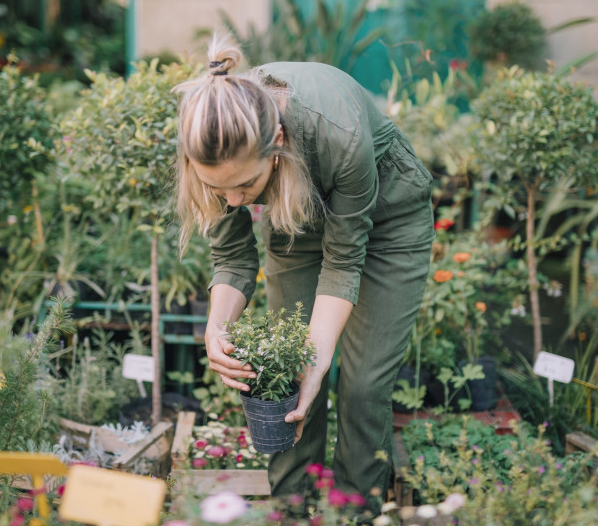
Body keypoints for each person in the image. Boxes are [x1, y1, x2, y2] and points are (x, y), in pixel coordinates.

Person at [173, 33, 434, 504]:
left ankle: (356, 509)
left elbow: (344, 259)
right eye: (218, 189)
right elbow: (232, 258)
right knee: (290, 372)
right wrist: (217, 325)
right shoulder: (212, 145)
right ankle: (292, 507)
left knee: (362, 387)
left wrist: (319, 358)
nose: (233, 200)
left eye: (245, 185)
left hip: (388, 224)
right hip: (297, 219)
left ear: (276, 142)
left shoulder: (336, 129)